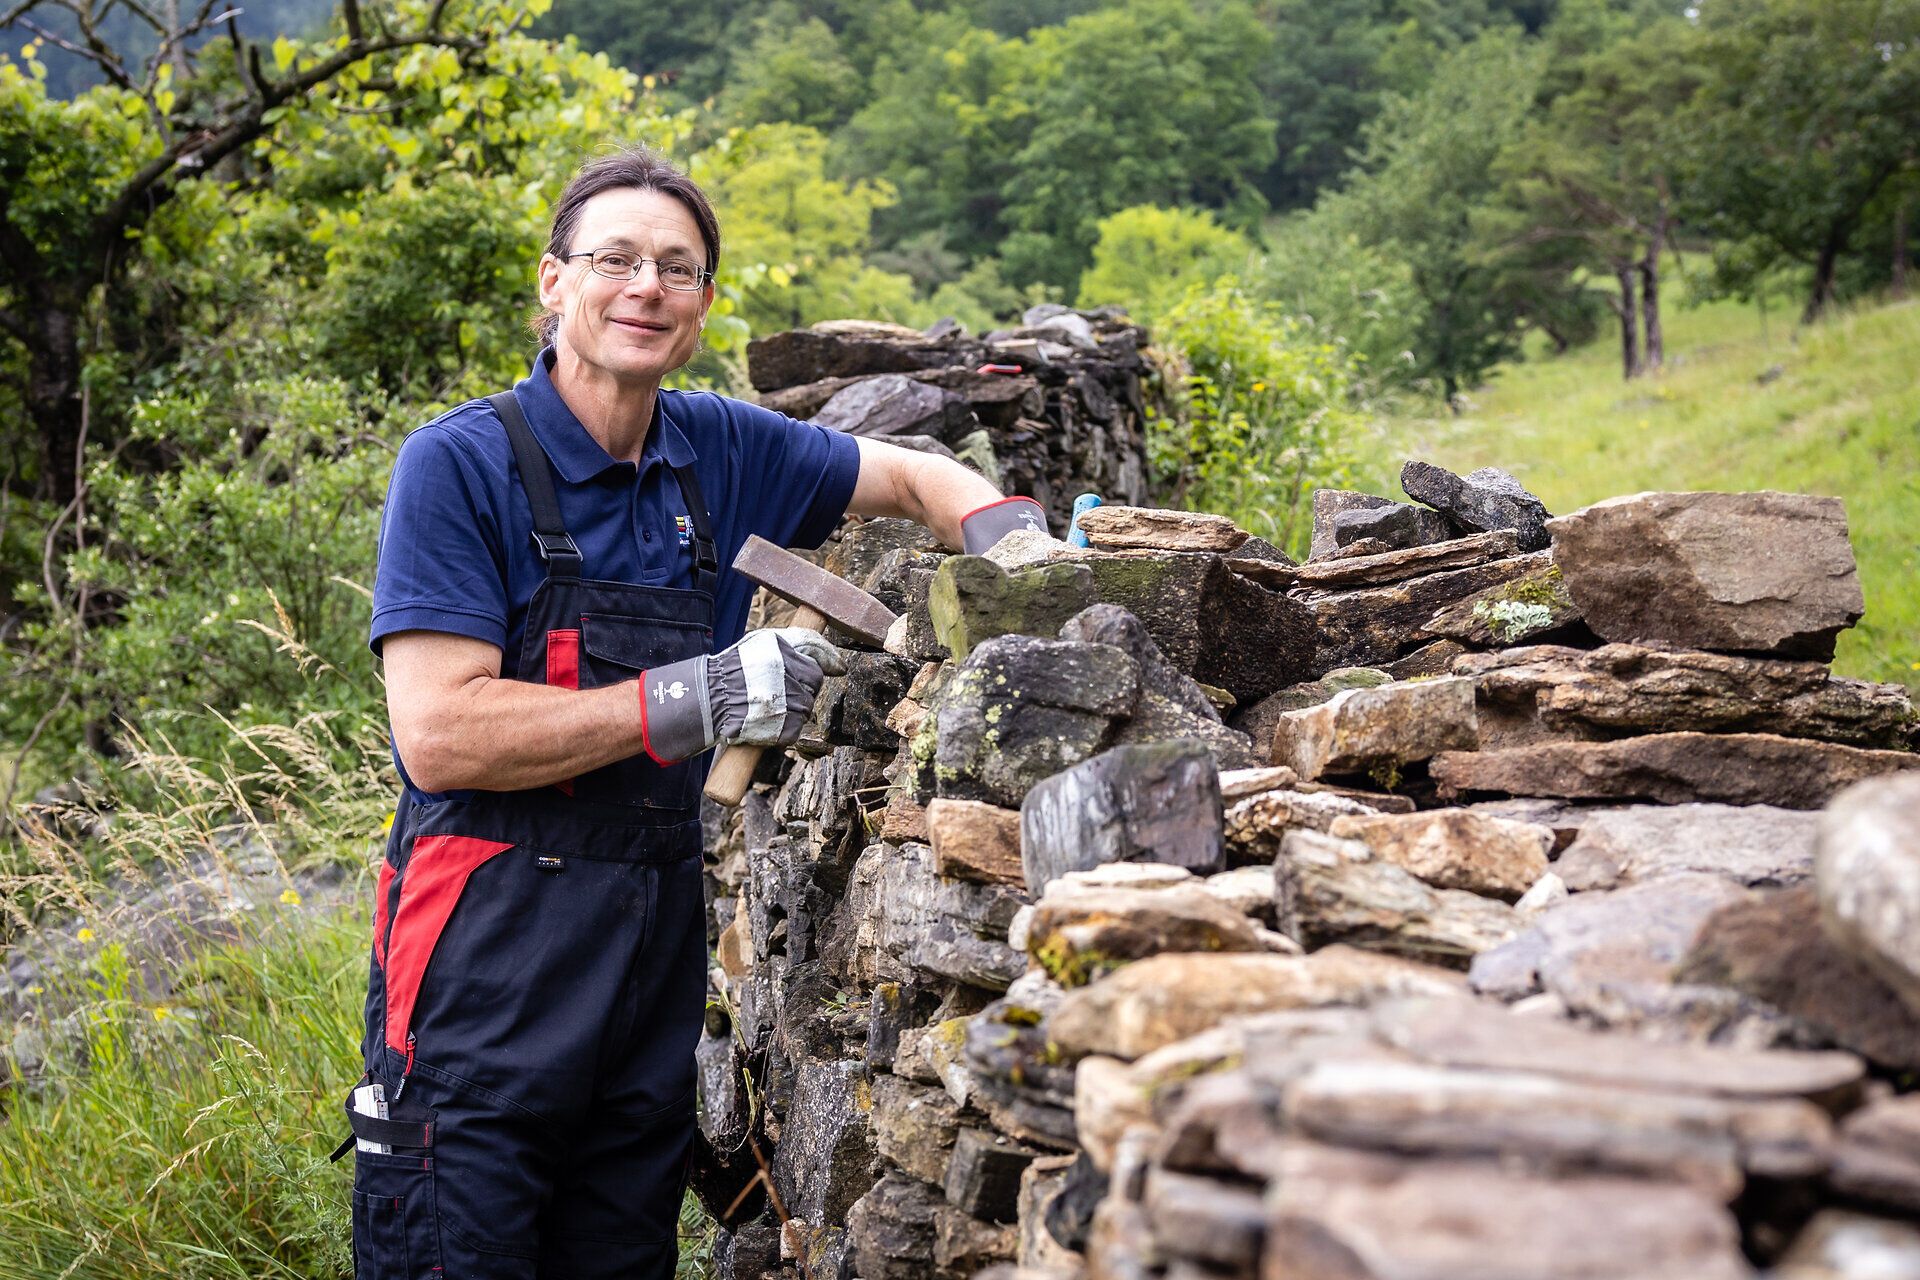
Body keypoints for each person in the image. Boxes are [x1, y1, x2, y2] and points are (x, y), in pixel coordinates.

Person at [339, 147, 1051, 1279]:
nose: (646, 286)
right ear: (553, 282)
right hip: (482, 965)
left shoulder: (716, 449)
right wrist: (698, 693)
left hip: (647, 959)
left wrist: (1024, 552)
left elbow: (919, 476)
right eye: (614, 258)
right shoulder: (459, 466)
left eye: (677, 267)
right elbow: (442, 732)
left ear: (704, 304)